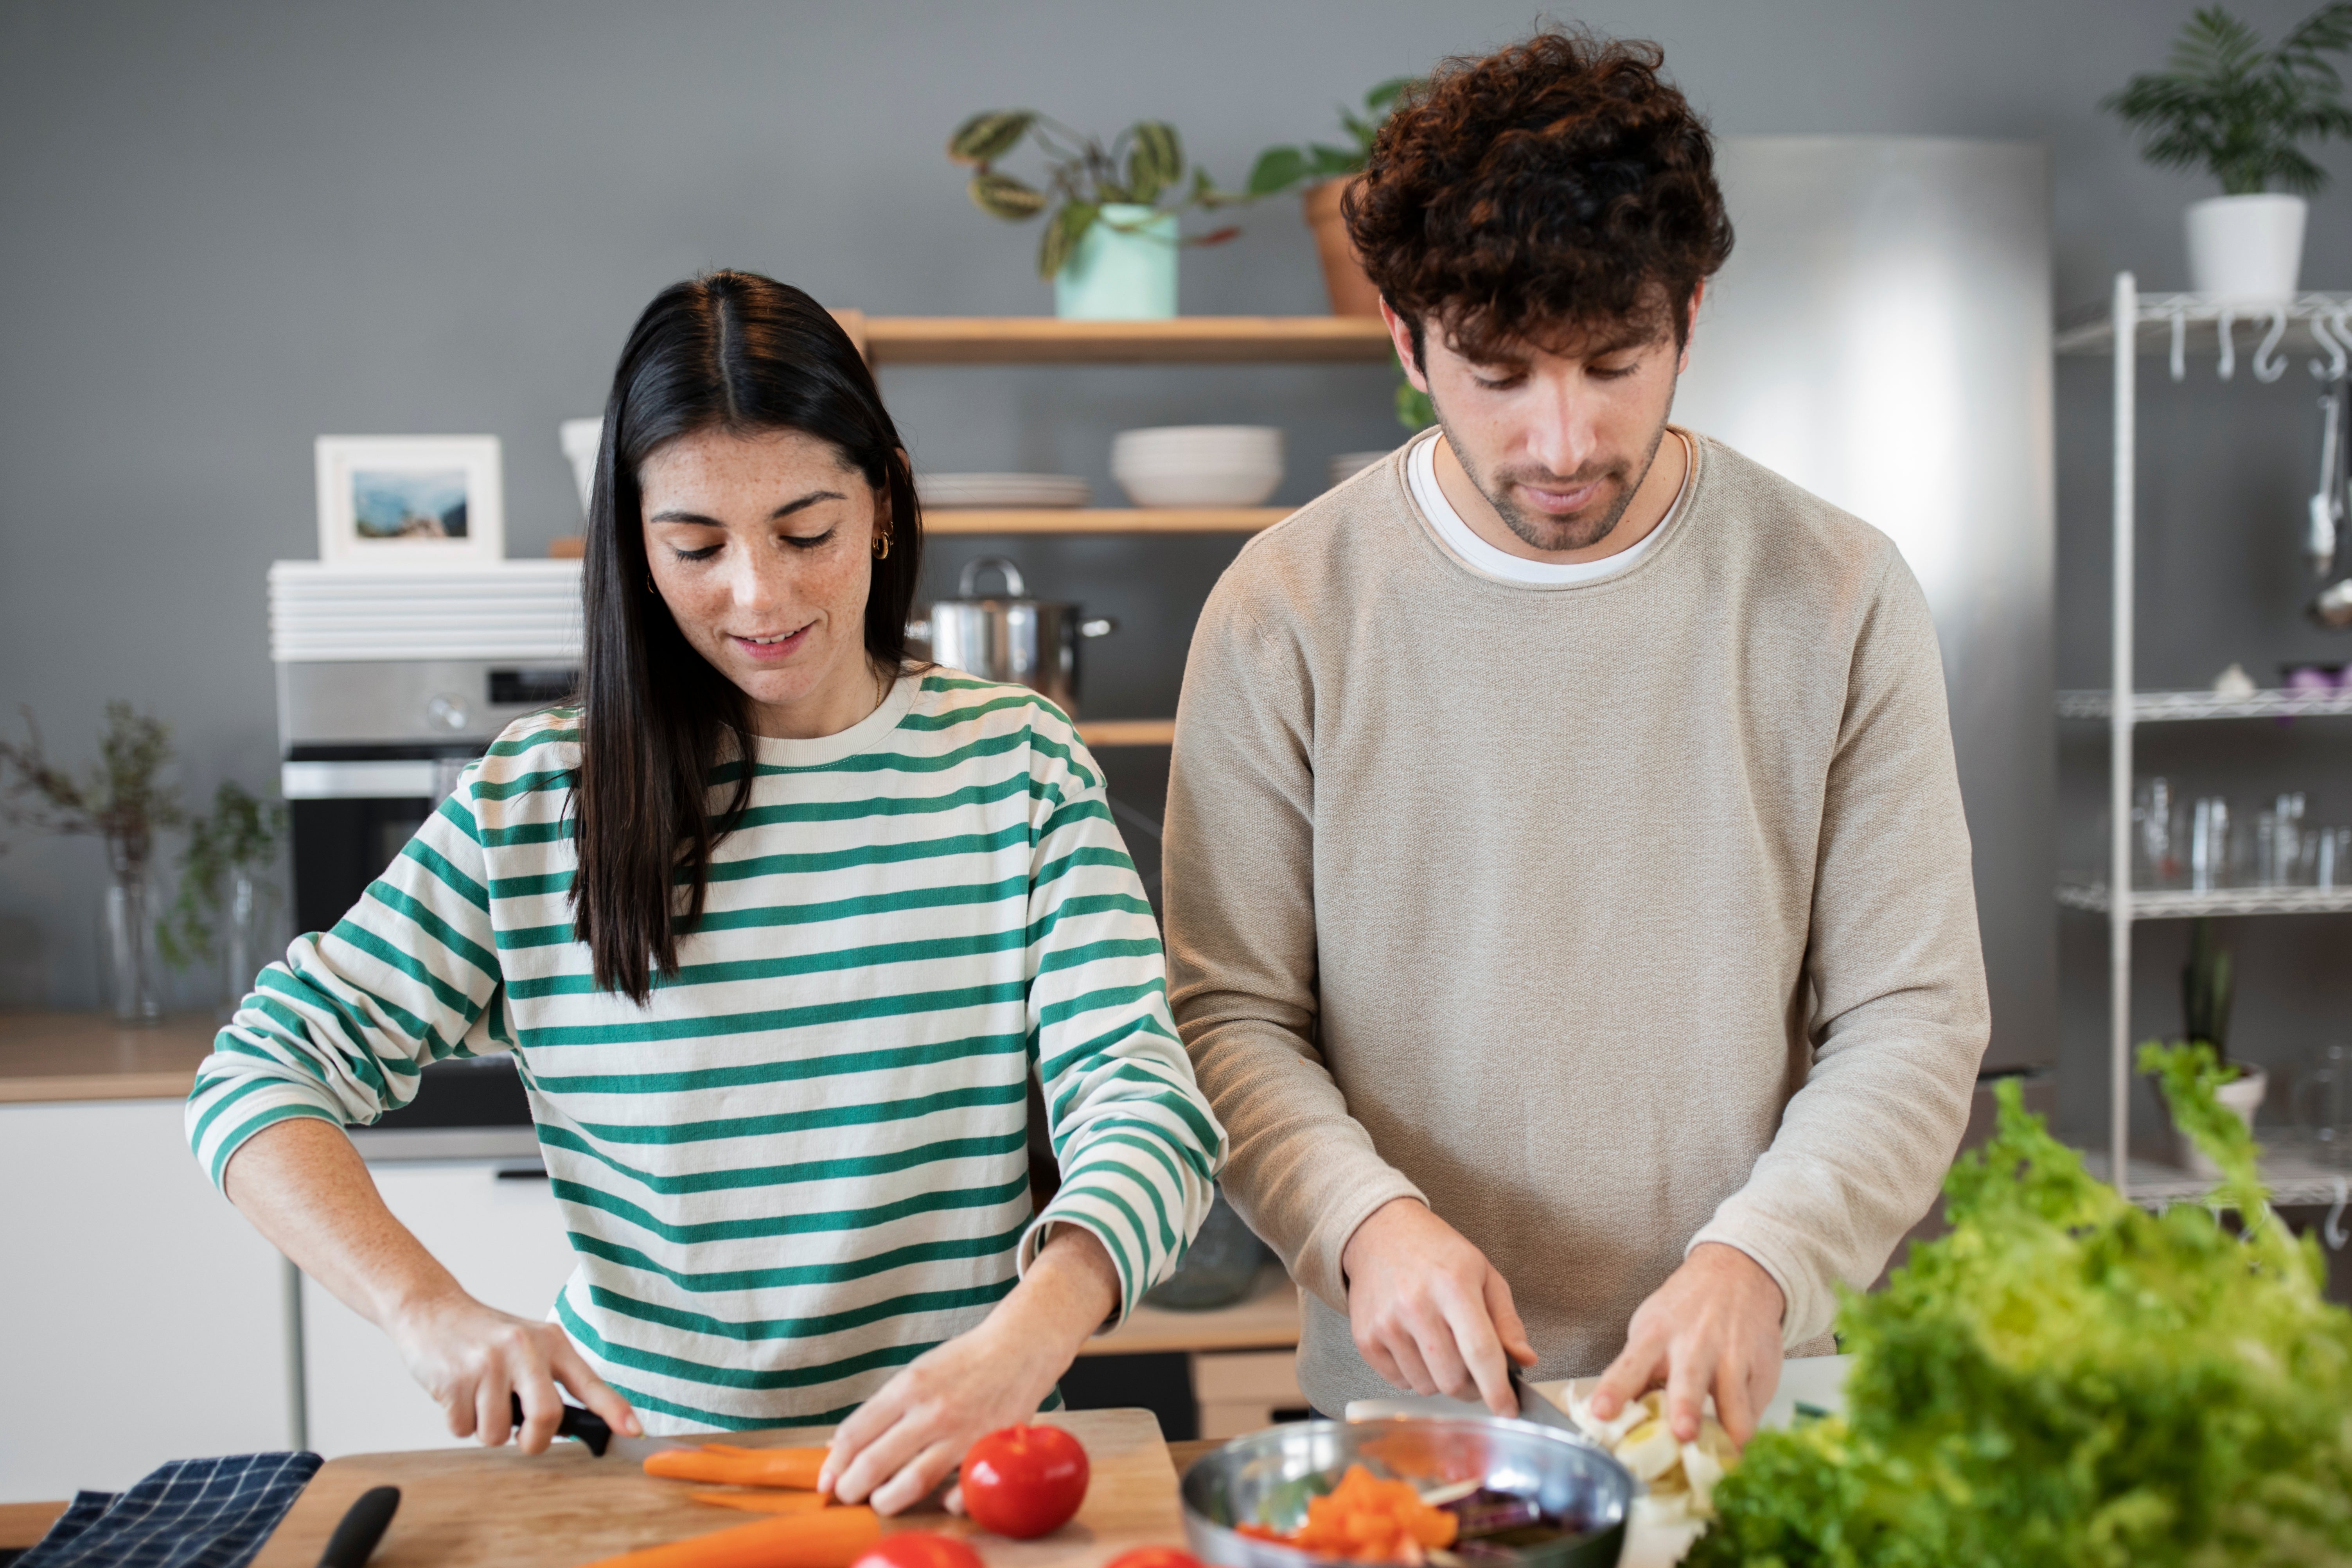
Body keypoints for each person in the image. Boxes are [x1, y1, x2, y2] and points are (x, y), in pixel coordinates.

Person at [187, 272, 1224, 1513]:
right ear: (634, 540)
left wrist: (1026, 1340)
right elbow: (260, 1070)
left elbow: (1144, 1103)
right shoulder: (540, 798)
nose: (759, 596)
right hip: (646, 1486)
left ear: (884, 504)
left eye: (806, 531)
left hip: (961, 1476)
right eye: (695, 546)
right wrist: (426, 1307)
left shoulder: (1018, 764)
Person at [1162, 30, 1989, 1445]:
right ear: (1405, 337)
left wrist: (1761, 1256)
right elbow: (1228, 1012)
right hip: (1408, 1414)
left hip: (1748, 1391)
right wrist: (1366, 1223)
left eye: (1616, 360)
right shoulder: (1284, 610)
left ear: (1691, 312)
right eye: (1498, 372)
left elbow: (1911, 1015)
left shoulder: (1838, 591)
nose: (1563, 439)